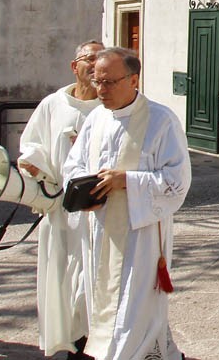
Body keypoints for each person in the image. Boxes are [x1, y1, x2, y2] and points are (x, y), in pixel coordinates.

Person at [62, 48, 191, 359]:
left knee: (135, 316)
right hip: (102, 232)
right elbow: (73, 166)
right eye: (97, 81)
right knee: (105, 312)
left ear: (134, 80)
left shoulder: (161, 121)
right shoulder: (95, 118)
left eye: (109, 82)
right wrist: (86, 193)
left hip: (141, 241)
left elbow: (177, 180)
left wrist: (127, 181)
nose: (101, 90)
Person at [18, 40, 104, 359]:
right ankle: (71, 345)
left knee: (91, 291)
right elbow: (33, 144)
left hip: (99, 216)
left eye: (101, 59)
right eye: (89, 59)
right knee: (66, 289)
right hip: (60, 216)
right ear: (75, 66)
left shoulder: (112, 106)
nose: (96, 66)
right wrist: (35, 164)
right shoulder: (54, 104)